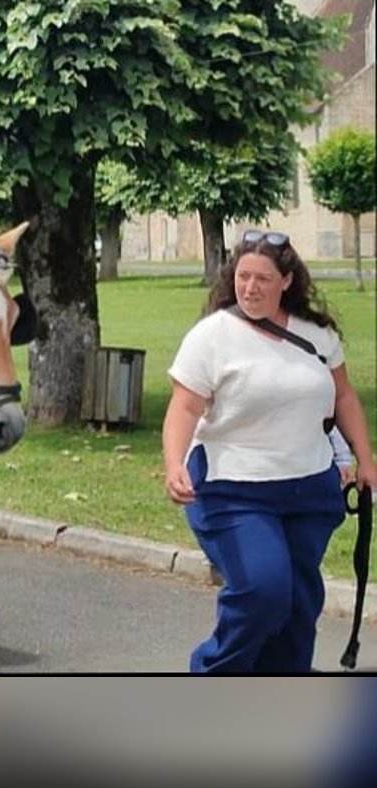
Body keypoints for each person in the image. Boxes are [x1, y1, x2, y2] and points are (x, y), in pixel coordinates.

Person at [162, 228, 377, 673]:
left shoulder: (316, 335)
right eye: (242, 277)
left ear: (286, 281)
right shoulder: (212, 336)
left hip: (308, 488)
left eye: (262, 278)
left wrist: (365, 458)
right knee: (263, 591)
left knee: (299, 603)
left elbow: (344, 399)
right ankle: (212, 673)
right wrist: (173, 463)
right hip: (233, 490)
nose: (250, 287)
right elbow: (183, 408)